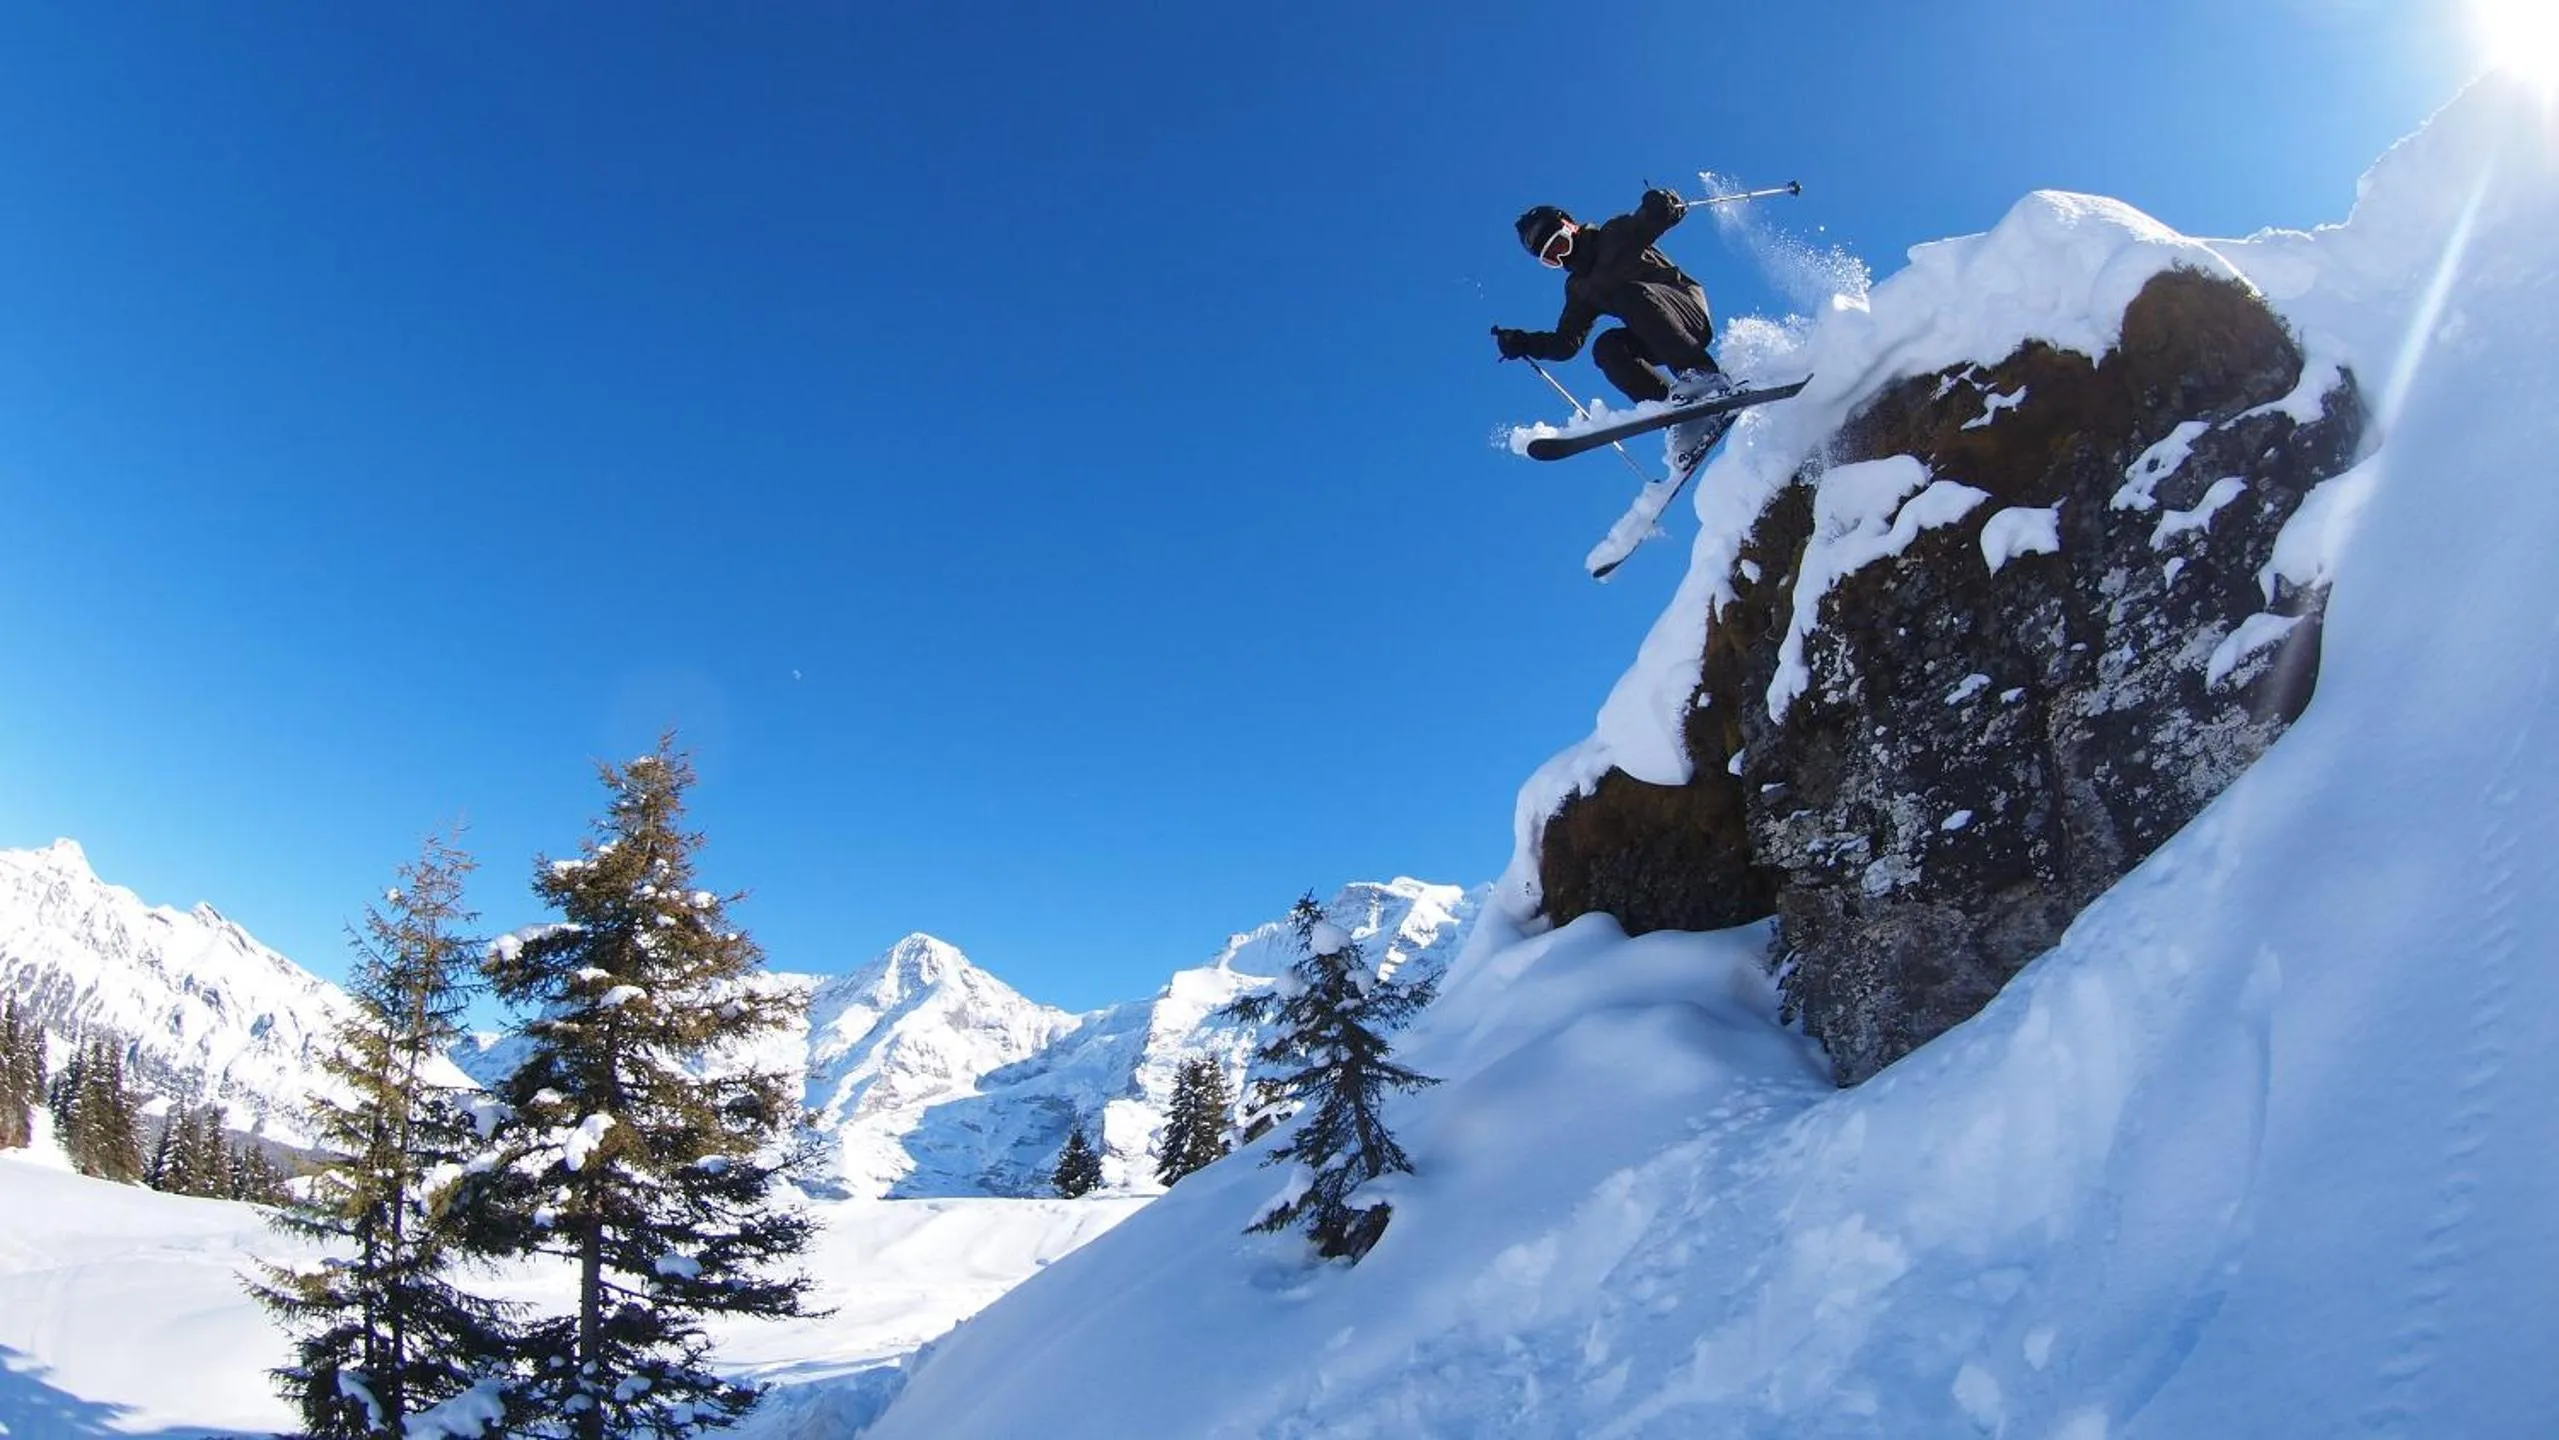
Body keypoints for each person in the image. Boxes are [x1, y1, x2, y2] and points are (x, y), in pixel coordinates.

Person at [1492, 189, 1726, 406]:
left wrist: (1662, 203)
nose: (1563, 257)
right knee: (1607, 347)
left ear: (1570, 225)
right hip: (1658, 336)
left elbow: (1652, 219)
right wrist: (1524, 342)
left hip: (1686, 310)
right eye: (1552, 258)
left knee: (1628, 294)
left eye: (1560, 245)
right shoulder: (1579, 288)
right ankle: (1673, 409)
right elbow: (1566, 344)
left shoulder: (1615, 234)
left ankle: (1705, 379)